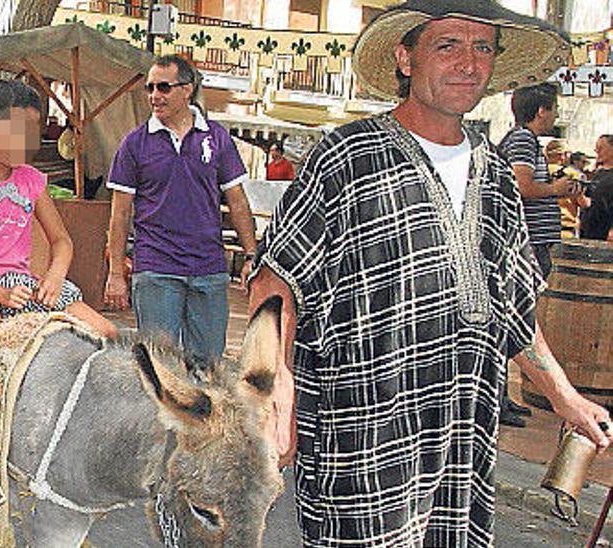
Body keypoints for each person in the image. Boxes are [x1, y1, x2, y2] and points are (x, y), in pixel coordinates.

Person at [247, 2, 611, 545]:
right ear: (406, 57)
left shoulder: (495, 176)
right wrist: (275, 395)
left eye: (482, 48)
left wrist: (566, 397)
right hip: (362, 434)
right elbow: (275, 282)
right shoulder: (349, 156)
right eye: (448, 46)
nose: (468, 63)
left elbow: (510, 310)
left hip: (461, 441)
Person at [0, 79, 117, 510]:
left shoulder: (32, 181)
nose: (31, 144)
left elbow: (63, 242)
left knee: (108, 333)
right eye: (22, 132)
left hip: (28, 286)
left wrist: (54, 275)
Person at [102, 55, 258, 364]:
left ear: (187, 90)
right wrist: (115, 273)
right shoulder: (134, 144)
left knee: (210, 365)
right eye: (150, 88)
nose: (154, 96)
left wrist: (252, 255)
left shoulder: (217, 138)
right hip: (156, 268)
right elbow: (120, 214)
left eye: (163, 87)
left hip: (209, 269)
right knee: (159, 367)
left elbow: (237, 200)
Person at [499, 84, 584, 278]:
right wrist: (555, 188)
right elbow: (522, 186)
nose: (556, 115)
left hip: (532, 242)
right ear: (541, 111)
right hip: (530, 243)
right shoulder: (523, 139)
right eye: (555, 108)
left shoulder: (524, 139)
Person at [580, 134, 613, 241]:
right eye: (596, 148)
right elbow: (589, 202)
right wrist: (578, 194)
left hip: (607, 233)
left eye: (601, 148)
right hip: (590, 232)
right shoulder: (597, 173)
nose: (597, 151)